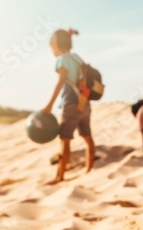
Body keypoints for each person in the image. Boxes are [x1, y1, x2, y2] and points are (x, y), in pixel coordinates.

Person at [42, 28, 95, 185]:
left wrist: (49, 105)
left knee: (64, 140)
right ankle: (89, 169)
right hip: (84, 103)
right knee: (87, 137)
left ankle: (60, 176)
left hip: (70, 104)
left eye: (52, 45)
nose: (52, 49)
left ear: (57, 45)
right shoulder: (77, 58)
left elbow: (60, 82)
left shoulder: (62, 60)